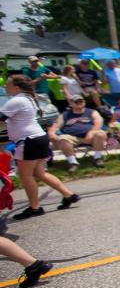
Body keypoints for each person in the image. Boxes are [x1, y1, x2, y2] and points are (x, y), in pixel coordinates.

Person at [1, 76, 79, 219]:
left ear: (17, 87)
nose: (5, 86)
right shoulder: (28, 98)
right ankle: (68, 195)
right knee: (40, 173)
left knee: (26, 176)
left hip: (28, 141)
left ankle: (35, 207)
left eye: (8, 84)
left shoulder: (17, 100)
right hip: (39, 138)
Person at [48, 94, 108, 172]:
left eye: (81, 101)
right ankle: (72, 162)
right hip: (72, 137)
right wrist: (52, 133)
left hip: (90, 137)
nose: (79, 102)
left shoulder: (92, 112)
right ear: (71, 104)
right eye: (76, 101)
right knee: (62, 138)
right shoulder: (65, 114)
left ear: (84, 102)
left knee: (100, 133)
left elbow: (98, 123)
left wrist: (91, 132)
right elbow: (55, 126)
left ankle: (98, 158)